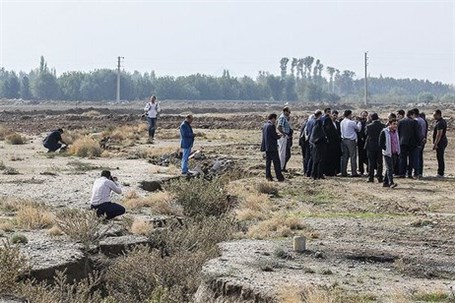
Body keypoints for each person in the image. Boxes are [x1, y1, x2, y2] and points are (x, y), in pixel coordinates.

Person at [261, 113, 284, 182]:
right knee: (276, 162)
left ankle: (268, 176)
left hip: (267, 147)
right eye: (275, 119)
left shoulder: (265, 125)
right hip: (272, 147)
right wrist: (279, 136)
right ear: (273, 118)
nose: (275, 121)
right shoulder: (271, 126)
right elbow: (274, 136)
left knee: (268, 163)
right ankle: (279, 177)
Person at [397, 110, 420, 178]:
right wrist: (418, 142)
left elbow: (398, 132)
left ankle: (402, 173)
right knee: (411, 158)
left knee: (402, 158)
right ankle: (409, 173)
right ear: (412, 114)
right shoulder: (414, 122)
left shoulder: (401, 121)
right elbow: (416, 133)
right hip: (412, 143)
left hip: (402, 142)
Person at [379, 118, 400, 189]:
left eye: (396, 124)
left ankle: (385, 182)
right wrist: (385, 149)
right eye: (394, 124)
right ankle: (391, 183)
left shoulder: (396, 132)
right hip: (387, 153)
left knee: (390, 168)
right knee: (390, 168)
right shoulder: (384, 132)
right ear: (390, 124)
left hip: (394, 152)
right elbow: (380, 142)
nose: (395, 125)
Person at [365, 113, 385, 183]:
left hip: (371, 146)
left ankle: (371, 177)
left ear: (371, 118)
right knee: (380, 162)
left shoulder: (369, 126)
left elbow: (366, 133)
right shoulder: (383, 126)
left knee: (371, 162)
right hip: (379, 146)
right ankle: (379, 177)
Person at [340, 110, 361, 177]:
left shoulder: (342, 122)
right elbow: (358, 129)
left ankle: (343, 172)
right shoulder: (351, 122)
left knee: (345, 156)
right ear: (349, 115)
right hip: (351, 140)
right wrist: (359, 123)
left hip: (344, 140)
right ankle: (354, 172)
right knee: (353, 156)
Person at [323, 110, 342, 176]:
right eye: (333, 114)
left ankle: (335, 171)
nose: (335, 116)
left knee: (336, 158)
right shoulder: (327, 121)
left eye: (336, 115)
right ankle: (328, 172)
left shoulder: (337, 123)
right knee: (329, 158)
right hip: (330, 144)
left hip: (336, 144)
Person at [304, 110, 322, 177]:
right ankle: (314, 174)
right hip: (315, 141)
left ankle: (308, 172)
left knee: (311, 157)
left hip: (310, 141)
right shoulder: (316, 122)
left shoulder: (309, 121)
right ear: (319, 115)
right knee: (316, 158)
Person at [432, 109, 448, 177]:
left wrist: (435, 144)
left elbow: (439, 134)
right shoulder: (440, 121)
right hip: (442, 141)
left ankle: (440, 173)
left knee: (440, 157)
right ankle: (441, 172)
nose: (433, 116)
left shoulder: (440, 123)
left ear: (438, 115)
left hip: (441, 142)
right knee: (440, 157)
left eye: (435, 115)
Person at [277, 106, 293, 172]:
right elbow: (279, 127)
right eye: (288, 112)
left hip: (287, 137)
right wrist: (284, 134)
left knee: (287, 153)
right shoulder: (282, 118)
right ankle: (281, 167)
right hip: (284, 137)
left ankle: (283, 166)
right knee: (284, 153)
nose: (289, 113)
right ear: (285, 111)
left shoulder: (286, 118)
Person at [413, 108, 427, 178]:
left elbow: (417, 132)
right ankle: (420, 172)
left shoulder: (416, 121)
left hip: (418, 141)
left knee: (416, 157)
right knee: (420, 157)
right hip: (422, 140)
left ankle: (417, 172)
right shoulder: (423, 120)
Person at [357, 111, 369, 176]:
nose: (364, 116)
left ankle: (368, 170)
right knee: (360, 156)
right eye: (363, 115)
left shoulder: (368, 123)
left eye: (365, 115)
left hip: (367, 142)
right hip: (360, 142)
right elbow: (358, 131)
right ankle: (361, 170)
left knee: (367, 156)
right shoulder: (358, 122)